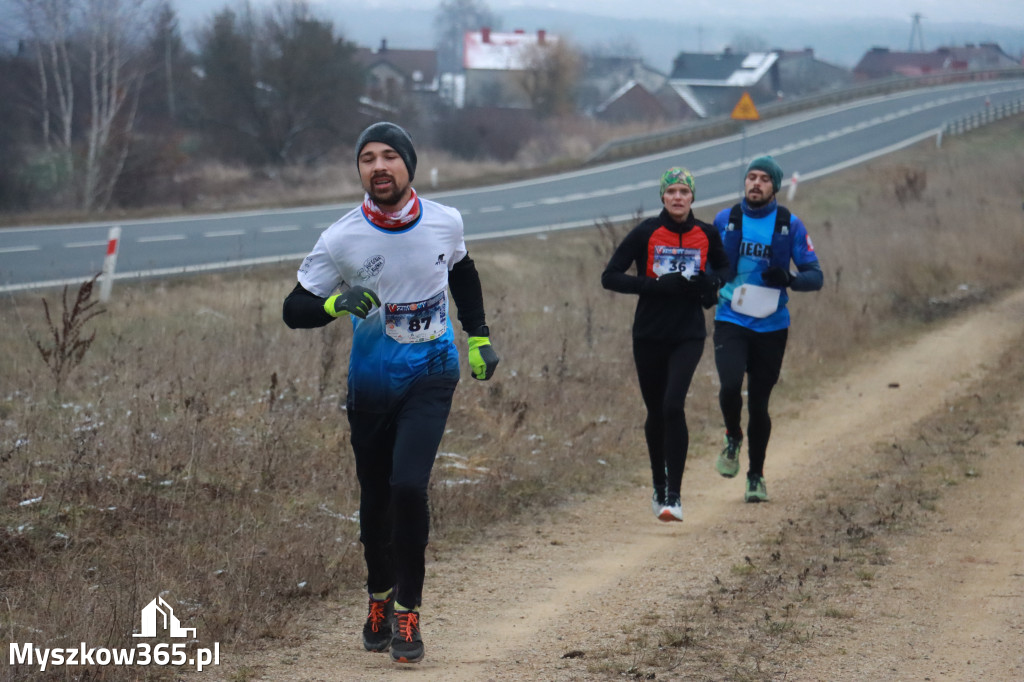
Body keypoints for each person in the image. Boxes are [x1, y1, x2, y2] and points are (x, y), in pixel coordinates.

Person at [282, 121, 499, 664]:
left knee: (408, 486)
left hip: (431, 374)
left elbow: (463, 272)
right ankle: (378, 596)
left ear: (409, 165)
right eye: (367, 159)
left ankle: (408, 613)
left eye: (389, 157)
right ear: (359, 171)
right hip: (372, 386)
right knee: (376, 497)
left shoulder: (446, 222)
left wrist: (479, 336)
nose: (378, 167)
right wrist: (334, 304)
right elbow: (293, 308)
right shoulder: (342, 238)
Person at [601, 167, 729, 522]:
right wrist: (654, 286)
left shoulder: (706, 233)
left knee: (674, 406)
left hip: (688, 333)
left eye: (683, 192)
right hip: (649, 334)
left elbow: (725, 268)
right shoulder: (645, 233)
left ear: (692, 197)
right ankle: (659, 485)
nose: (677, 197)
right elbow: (609, 276)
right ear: (663, 196)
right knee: (656, 411)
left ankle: (675, 495)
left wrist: (709, 282)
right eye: (671, 191)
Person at [711, 155, 822, 502]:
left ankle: (755, 476)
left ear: (774, 187)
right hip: (730, 318)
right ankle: (733, 436)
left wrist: (790, 279)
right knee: (730, 385)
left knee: (759, 403)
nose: (756, 184)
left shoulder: (790, 224)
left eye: (764, 179)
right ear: (744, 182)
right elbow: (705, 264)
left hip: (772, 326)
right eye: (751, 177)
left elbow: (815, 275)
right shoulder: (725, 219)